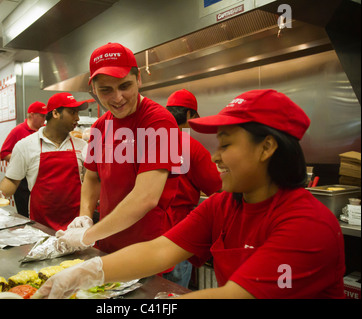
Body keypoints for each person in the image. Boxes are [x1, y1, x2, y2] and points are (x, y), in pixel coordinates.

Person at [35, 89, 345, 299]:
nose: (216, 157)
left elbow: (233, 295)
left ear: (267, 147)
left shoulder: (306, 224)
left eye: (225, 145)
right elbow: (158, 251)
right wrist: (83, 274)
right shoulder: (224, 206)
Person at [56, 43, 182, 259]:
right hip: (107, 243)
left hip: (148, 249)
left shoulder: (159, 122)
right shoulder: (100, 127)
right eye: (106, 90)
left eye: (125, 86)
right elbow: (92, 178)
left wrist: (86, 236)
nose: (117, 98)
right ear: (93, 89)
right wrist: (84, 217)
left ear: (139, 79)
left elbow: (146, 198)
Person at [0, 93, 89, 231]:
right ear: (55, 113)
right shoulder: (25, 145)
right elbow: (12, 180)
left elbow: (91, 182)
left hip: (76, 223)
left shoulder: (82, 146)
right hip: (40, 224)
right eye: (72, 112)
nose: (77, 118)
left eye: (77, 113)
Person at [163, 89, 222, 287]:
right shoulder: (191, 146)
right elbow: (220, 189)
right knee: (174, 292)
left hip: (147, 230)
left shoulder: (147, 142)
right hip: (180, 232)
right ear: (188, 115)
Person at [0, 101, 47, 217]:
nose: (44, 119)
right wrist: (26, 160)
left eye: (45, 116)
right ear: (32, 115)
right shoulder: (18, 131)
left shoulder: (45, 131)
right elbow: (4, 153)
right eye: (42, 116)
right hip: (22, 180)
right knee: (25, 214)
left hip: (40, 178)